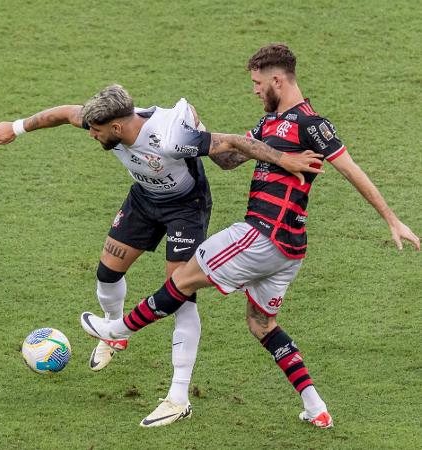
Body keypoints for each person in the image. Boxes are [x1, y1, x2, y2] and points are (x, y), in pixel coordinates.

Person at [80, 44, 420, 429]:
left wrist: (391, 219)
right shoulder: (264, 127)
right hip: (288, 250)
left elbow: (350, 168)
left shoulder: (309, 124)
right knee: (261, 325)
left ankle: (117, 330)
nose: (255, 90)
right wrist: (196, 130)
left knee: (182, 279)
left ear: (277, 79)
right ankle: (315, 405)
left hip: (262, 235)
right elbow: (227, 159)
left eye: (258, 83)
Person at [0, 84, 323, 427]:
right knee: (107, 274)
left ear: (116, 128)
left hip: (186, 209)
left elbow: (232, 141)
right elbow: (61, 113)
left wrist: (282, 159)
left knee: (180, 293)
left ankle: (178, 396)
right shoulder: (100, 120)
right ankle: (113, 335)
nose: (92, 135)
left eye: (97, 132)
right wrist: (16, 127)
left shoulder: (171, 137)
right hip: (144, 201)